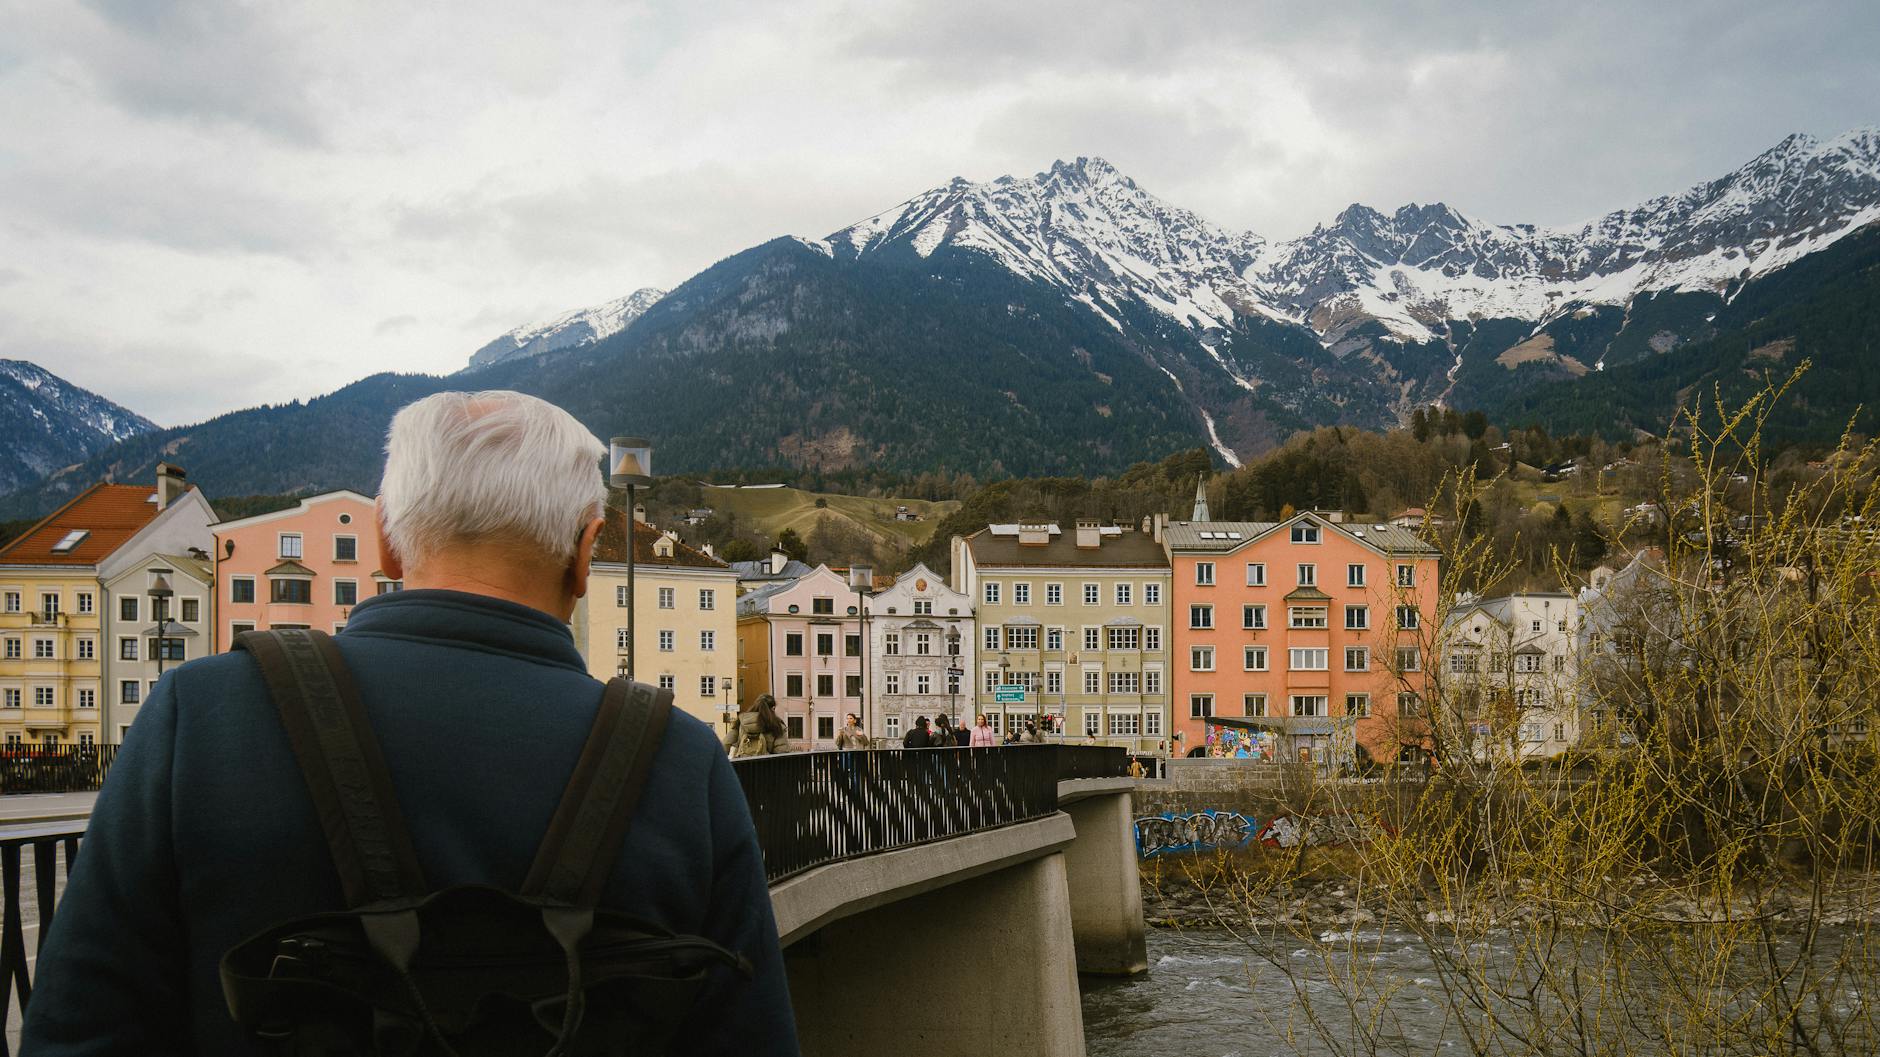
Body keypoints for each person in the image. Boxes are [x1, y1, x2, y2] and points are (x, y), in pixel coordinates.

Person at [22, 391, 799, 1055]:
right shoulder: (681, 763)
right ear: (585, 551)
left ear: (388, 541)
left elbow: (79, 1028)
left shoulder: (199, 716)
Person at [728, 693, 795, 757]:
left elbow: (726, 744)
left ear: (755, 705)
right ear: (773, 708)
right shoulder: (777, 725)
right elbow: (782, 752)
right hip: (765, 764)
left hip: (743, 763)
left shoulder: (741, 721)